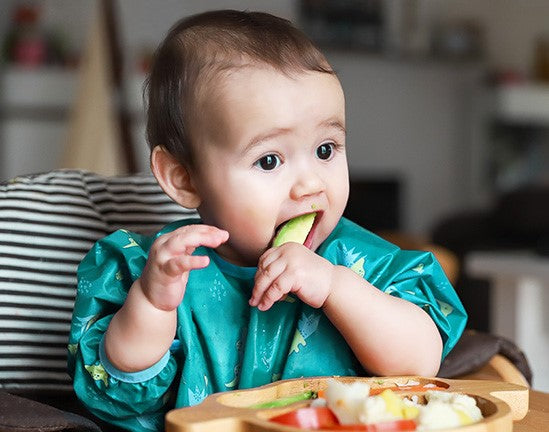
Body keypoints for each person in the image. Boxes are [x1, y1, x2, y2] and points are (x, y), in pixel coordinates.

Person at [68, 9, 467, 431]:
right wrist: (152, 304)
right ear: (184, 178)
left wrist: (334, 286)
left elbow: (422, 363)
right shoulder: (164, 270)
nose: (310, 183)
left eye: (326, 149)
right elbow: (118, 390)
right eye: (270, 160)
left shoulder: (364, 264)